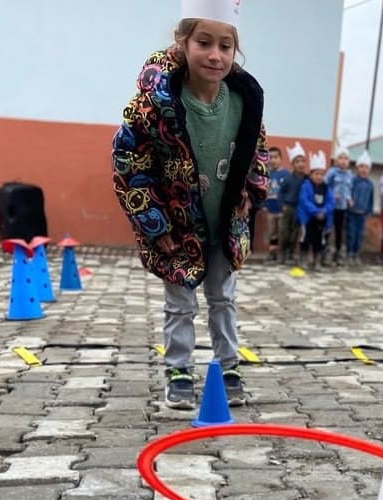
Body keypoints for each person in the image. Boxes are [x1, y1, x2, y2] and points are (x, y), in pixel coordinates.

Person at [111, 0, 268, 410]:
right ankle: (178, 369)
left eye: (225, 46)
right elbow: (129, 162)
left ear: (235, 52)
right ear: (182, 43)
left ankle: (228, 365)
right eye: (204, 42)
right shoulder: (153, 104)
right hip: (177, 225)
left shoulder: (244, 102)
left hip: (225, 220)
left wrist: (252, 194)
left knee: (223, 296)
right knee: (180, 302)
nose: (215, 55)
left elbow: (258, 152)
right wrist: (154, 223)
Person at [297, 150, 335, 269]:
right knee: (306, 239)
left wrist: (323, 211)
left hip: (321, 219)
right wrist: (316, 211)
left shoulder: (326, 188)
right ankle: (302, 259)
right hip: (308, 219)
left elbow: (331, 202)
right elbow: (304, 201)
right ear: (311, 174)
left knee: (319, 241)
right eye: (317, 174)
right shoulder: (306, 185)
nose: (319, 176)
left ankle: (317, 260)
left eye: (322, 174)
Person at [278, 142, 307, 263]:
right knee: (284, 231)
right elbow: (281, 193)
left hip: (299, 209)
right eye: (297, 161)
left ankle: (290, 254)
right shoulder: (288, 178)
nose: (300, 164)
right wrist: (282, 205)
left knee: (295, 232)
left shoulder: (307, 179)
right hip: (287, 208)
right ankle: (281, 254)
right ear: (292, 164)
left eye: (302, 161)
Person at [325, 148, 354, 264]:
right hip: (331, 207)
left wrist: (349, 199)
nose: (343, 161)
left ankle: (337, 253)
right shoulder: (332, 172)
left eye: (346, 158)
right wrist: (332, 195)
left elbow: (349, 189)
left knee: (339, 231)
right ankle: (325, 252)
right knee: (327, 229)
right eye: (340, 158)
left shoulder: (349, 174)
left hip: (342, 208)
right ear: (336, 160)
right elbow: (324, 185)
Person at [347, 150, 375, 264]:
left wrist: (369, 211)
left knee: (359, 236)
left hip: (362, 215)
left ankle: (356, 254)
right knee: (351, 235)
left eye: (366, 167)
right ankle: (348, 254)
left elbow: (371, 199)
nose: (364, 169)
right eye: (361, 166)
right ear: (357, 168)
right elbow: (348, 193)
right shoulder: (352, 181)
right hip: (351, 213)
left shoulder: (370, 184)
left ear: (369, 170)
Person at [264, 146, 289, 260]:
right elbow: (263, 190)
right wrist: (264, 205)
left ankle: (281, 252)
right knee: (271, 231)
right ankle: (272, 252)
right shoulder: (266, 174)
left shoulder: (286, 174)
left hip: (282, 209)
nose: (273, 160)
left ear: (281, 158)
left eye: (276, 157)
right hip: (270, 208)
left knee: (282, 231)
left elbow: (288, 192)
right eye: (270, 157)